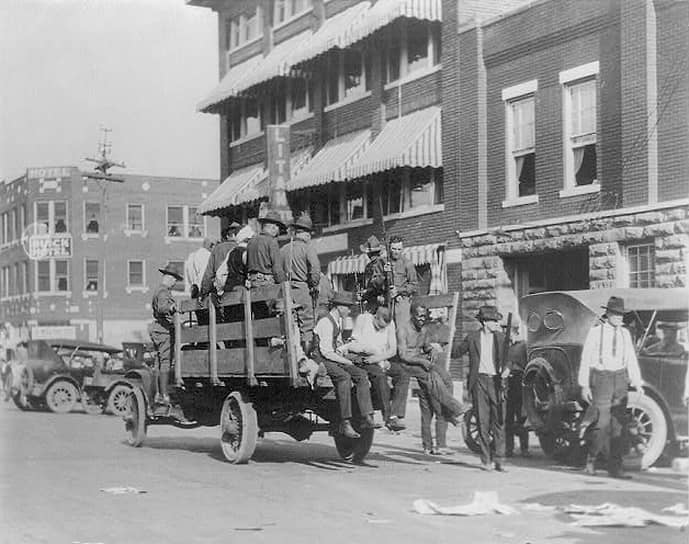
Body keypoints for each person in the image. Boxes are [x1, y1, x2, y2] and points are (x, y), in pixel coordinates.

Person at [578, 296, 643, 479]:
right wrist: (584, 385)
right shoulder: (595, 333)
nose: (619, 318)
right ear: (607, 314)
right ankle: (591, 459)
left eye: (621, 315)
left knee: (618, 427)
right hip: (602, 379)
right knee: (601, 424)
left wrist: (637, 382)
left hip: (620, 379)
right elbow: (585, 360)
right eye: (615, 314)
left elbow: (631, 359)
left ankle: (615, 467)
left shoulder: (625, 334)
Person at [311, 290, 377, 439]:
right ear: (339, 307)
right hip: (321, 358)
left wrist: (346, 351)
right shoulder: (326, 322)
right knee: (343, 377)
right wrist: (346, 361)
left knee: (361, 374)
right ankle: (345, 422)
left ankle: (367, 416)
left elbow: (337, 344)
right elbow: (326, 352)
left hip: (332, 356)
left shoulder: (337, 321)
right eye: (347, 307)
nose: (349, 310)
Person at [397, 302, 460, 455]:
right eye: (419, 315)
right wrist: (421, 360)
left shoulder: (424, 330)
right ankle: (453, 409)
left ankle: (429, 445)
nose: (422, 319)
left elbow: (425, 347)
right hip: (408, 365)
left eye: (424, 316)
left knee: (445, 378)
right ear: (412, 314)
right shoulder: (403, 330)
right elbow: (403, 355)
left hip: (421, 364)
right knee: (433, 386)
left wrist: (431, 349)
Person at [458, 305, 509, 471]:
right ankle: (486, 460)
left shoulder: (501, 338)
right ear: (485, 322)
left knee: (499, 421)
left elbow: (509, 357)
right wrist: (440, 345)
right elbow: (457, 352)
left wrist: (507, 368)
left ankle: (500, 460)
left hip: (496, 382)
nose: (497, 324)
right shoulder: (472, 337)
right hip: (479, 382)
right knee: (482, 422)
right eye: (494, 321)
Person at [345, 306, 407, 431]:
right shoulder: (363, 319)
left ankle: (395, 414)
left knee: (403, 374)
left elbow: (392, 350)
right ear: (375, 316)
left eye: (384, 328)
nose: (381, 329)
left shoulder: (390, 324)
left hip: (381, 359)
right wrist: (375, 358)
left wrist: (380, 359)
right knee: (379, 376)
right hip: (365, 358)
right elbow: (355, 344)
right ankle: (387, 417)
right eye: (379, 326)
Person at [280, 214, 321, 347]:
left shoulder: (283, 250)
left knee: (290, 325)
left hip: (286, 291)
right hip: (302, 289)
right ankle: (307, 360)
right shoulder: (307, 248)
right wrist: (314, 284)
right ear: (307, 234)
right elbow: (315, 269)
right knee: (307, 326)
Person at [149, 264, 183, 412]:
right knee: (165, 362)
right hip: (164, 331)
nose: (175, 282)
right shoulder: (163, 291)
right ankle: (164, 395)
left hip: (159, 329)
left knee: (158, 362)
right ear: (168, 278)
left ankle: (157, 394)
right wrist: (172, 308)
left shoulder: (161, 290)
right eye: (174, 279)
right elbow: (163, 307)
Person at [504, 318, 529, 458]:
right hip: (507, 382)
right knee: (508, 417)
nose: (509, 334)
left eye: (511, 331)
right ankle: (509, 448)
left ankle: (524, 448)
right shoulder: (504, 347)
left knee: (522, 416)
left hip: (520, 381)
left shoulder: (523, 346)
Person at [199, 221, 241, 297]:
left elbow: (208, 274)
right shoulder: (242, 248)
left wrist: (204, 292)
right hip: (239, 290)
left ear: (227, 236)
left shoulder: (218, 249)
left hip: (221, 290)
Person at [246, 210, 287, 288]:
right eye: (278, 227)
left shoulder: (251, 241)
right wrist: (284, 283)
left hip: (252, 283)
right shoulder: (272, 242)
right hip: (267, 283)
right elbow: (277, 269)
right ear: (273, 227)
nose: (278, 231)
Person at [388, 235, 418, 325]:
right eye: (393, 249)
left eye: (399, 249)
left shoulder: (407, 264)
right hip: (387, 303)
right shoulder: (384, 262)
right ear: (389, 248)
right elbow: (377, 282)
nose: (396, 252)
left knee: (401, 331)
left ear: (402, 249)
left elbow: (414, 285)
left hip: (401, 302)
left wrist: (398, 290)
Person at [360, 235, 388, 311]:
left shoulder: (384, 263)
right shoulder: (368, 267)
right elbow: (365, 284)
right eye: (370, 254)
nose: (370, 256)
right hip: (371, 301)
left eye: (373, 253)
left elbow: (384, 282)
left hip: (382, 300)